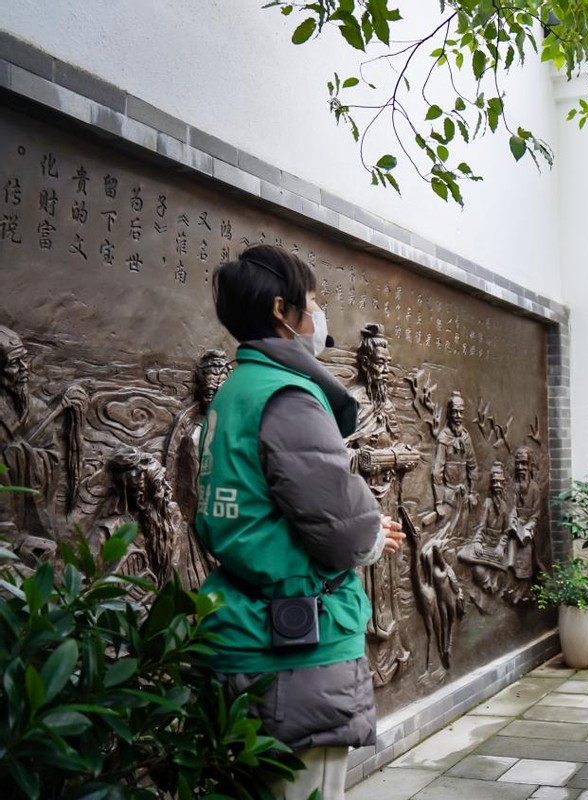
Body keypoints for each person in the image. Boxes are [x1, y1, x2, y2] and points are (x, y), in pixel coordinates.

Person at [195, 245, 406, 800]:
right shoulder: (287, 395)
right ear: (281, 310)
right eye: (313, 303)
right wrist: (369, 538)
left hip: (241, 629)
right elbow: (342, 525)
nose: (321, 318)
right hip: (292, 653)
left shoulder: (236, 391)